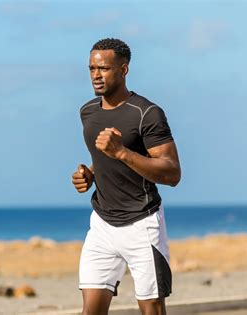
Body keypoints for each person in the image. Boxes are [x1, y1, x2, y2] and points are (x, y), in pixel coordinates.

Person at [72, 38, 181, 315]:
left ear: (124, 69)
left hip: (142, 223)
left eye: (104, 69)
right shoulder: (88, 112)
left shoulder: (147, 113)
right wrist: (90, 175)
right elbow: (102, 158)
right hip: (102, 224)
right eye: (91, 69)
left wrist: (122, 153)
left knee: (152, 310)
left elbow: (171, 172)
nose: (96, 75)